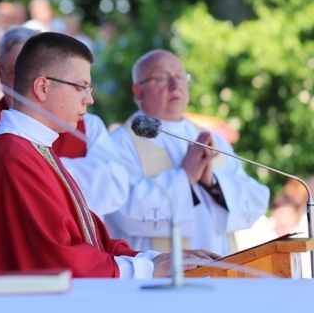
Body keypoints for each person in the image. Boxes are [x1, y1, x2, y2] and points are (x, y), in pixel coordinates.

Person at [0, 32, 217, 277]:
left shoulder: (34, 148)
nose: (89, 99)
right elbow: (56, 257)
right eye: (81, 87)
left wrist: (154, 259)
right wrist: (147, 269)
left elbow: (90, 239)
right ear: (42, 87)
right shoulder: (12, 155)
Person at [0, 28, 130, 245]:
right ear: (0, 73)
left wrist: (38, 174)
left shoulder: (88, 125)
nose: (25, 80)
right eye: (16, 70)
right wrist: (40, 172)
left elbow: (113, 186)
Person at [106, 49, 270, 256]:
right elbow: (122, 209)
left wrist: (212, 183)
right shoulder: (120, 143)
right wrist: (185, 177)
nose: (175, 85)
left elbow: (256, 200)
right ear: (139, 91)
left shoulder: (213, 140)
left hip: (218, 266)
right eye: (162, 77)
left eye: (180, 77)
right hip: (159, 276)